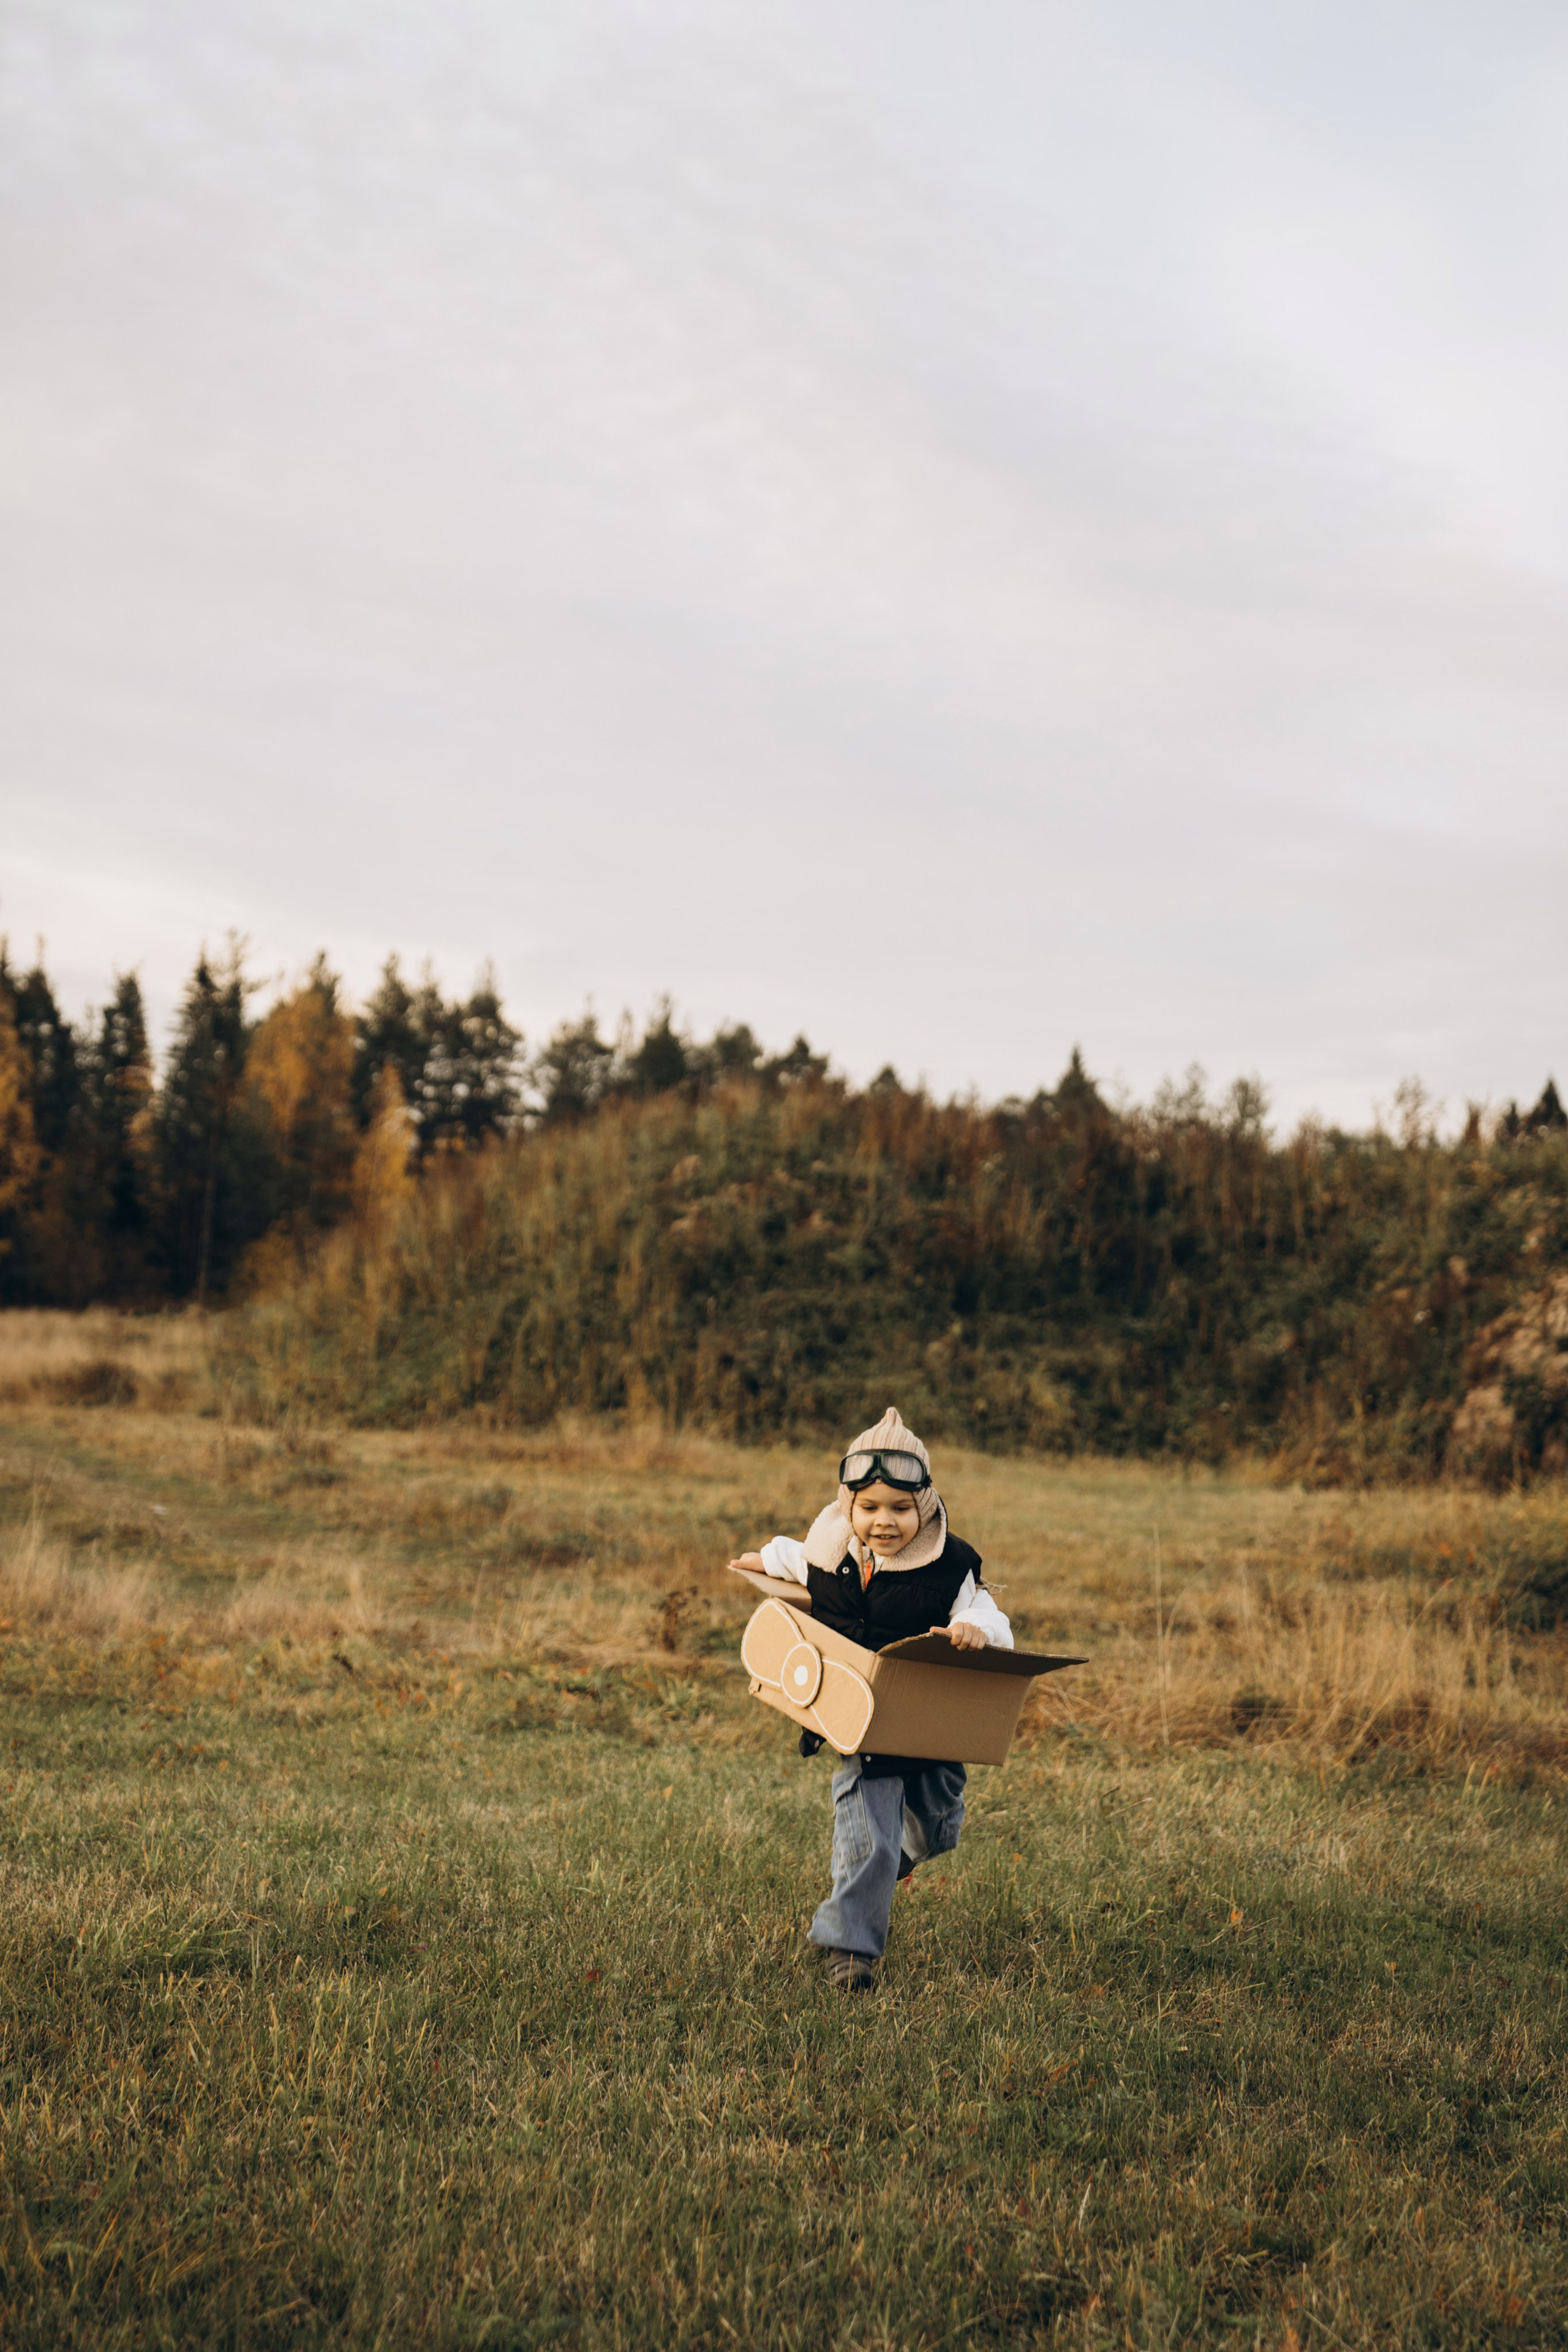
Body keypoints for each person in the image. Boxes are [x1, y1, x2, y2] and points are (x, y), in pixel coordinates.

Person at [728, 1404, 1011, 1990]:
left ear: (923, 1505)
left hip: (928, 1726)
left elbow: (990, 1615)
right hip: (859, 1724)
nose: (885, 1521)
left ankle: (887, 1863)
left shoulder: (948, 1564)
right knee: (869, 1840)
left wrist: (975, 1629)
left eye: (900, 1508)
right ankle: (849, 1950)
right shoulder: (830, 1549)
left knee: (938, 1828)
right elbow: (793, 1557)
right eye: (870, 1507)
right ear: (848, 1506)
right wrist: (764, 1560)